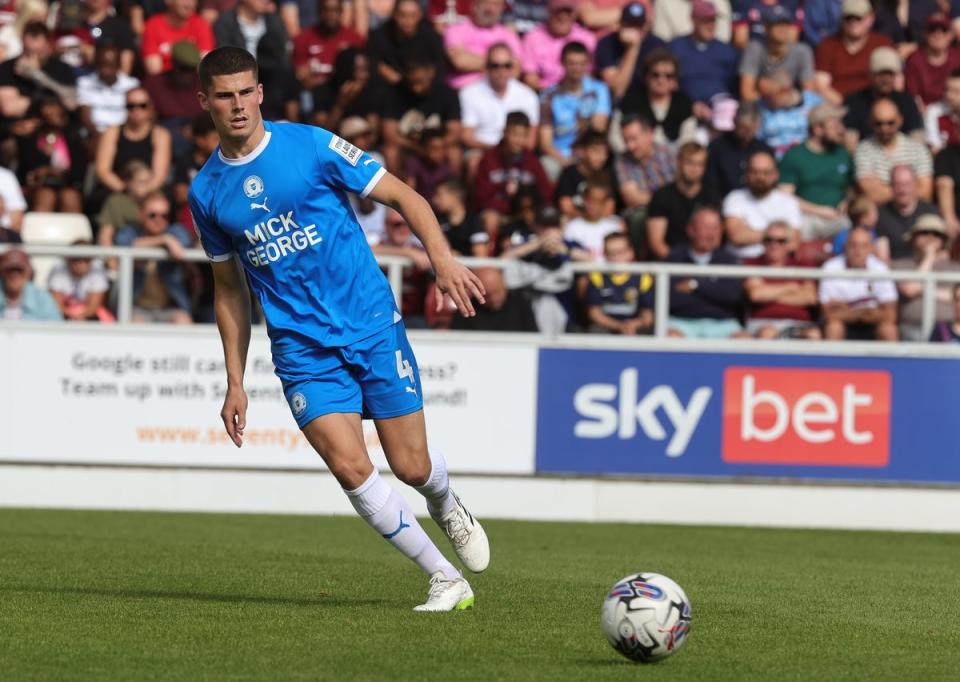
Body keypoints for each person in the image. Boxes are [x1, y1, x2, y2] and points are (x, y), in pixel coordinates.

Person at [188, 47, 490, 611]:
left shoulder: (310, 144)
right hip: (302, 350)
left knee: (412, 466)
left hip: (372, 324)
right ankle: (445, 578)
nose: (237, 106)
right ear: (205, 101)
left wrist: (443, 260)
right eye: (223, 96)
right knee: (352, 467)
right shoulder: (206, 193)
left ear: (259, 93)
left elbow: (405, 195)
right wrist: (234, 380)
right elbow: (229, 290)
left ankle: (445, 500)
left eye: (245, 92)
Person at [665, 206, 746, 339]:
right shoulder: (675, 257)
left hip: (722, 323)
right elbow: (672, 299)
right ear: (691, 230)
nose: (711, 233)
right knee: (671, 336)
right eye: (706, 227)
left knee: (743, 339)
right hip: (682, 322)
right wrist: (714, 289)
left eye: (716, 228)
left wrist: (695, 285)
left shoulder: (729, 260)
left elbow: (732, 296)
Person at [115, 190, 194, 324]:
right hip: (136, 308)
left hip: (169, 308)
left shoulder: (174, 231)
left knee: (184, 321)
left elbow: (184, 241)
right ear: (141, 215)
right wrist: (164, 240)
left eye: (164, 216)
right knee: (134, 324)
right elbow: (124, 245)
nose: (159, 220)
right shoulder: (130, 231)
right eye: (152, 215)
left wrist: (165, 239)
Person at [778, 102, 854, 241]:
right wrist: (819, 211)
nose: (841, 130)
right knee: (798, 229)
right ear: (818, 129)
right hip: (806, 217)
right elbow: (784, 196)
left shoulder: (843, 154)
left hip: (838, 219)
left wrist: (847, 202)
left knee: (851, 229)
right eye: (835, 126)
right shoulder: (795, 156)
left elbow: (851, 188)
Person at [382, 49, 461, 175]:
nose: (415, 88)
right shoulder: (395, 92)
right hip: (408, 147)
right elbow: (389, 134)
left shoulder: (447, 93)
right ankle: (395, 192)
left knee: (454, 152)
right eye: (411, 83)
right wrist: (417, 148)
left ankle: (452, 191)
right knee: (390, 152)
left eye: (420, 82)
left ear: (431, 72)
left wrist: (434, 148)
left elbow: (455, 132)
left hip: (438, 146)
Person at [539, 41, 611, 178]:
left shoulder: (599, 90)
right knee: (547, 166)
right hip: (561, 155)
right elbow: (545, 142)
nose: (577, 68)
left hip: (589, 154)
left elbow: (598, 128)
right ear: (562, 63)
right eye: (572, 63)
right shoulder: (548, 97)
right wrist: (566, 163)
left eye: (582, 63)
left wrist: (584, 158)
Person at [474, 111, 552, 237]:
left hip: (526, 213)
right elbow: (480, 196)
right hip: (497, 211)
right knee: (490, 219)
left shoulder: (532, 161)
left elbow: (546, 193)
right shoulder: (489, 159)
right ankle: (488, 255)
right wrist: (504, 193)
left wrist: (526, 201)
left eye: (523, 136)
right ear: (505, 133)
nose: (518, 141)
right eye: (514, 135)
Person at [459, 43, 540, 161]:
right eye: (495, 66)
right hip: (483, 151)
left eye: (506, 66)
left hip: (518, 152)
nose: (501, 71)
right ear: (486, 67)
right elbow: (467, 137)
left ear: (513, 67)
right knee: (474, 161)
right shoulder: (469, 93)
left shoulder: (528, 95)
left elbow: (530, 141)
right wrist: (497, 151)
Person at [743, 221, 821, 339]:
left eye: (781, 241)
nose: (775, 245)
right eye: (770, 240)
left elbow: (810, 297)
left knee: (813, 335)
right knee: (767, 333)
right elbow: (756, 295)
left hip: (800, 324)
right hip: (763, 323)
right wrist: (790, 287)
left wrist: (770, 295)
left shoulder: (803, 265)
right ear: (763, 242)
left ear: (789, 244)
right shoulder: (753, 263)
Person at [819, 225, 898, 341]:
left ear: (871, 248)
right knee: (834, 327)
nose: (858, 251)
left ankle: (893, 360)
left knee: (888, 329)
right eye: (853, 245)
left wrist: (846, 308)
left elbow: (890, 314)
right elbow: (827, 313)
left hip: (872, 324)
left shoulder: (881, 269)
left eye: (863, 246)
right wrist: (865, 311)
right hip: (844, 324)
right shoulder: (830, 268)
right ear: (845, 247)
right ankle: (833, 360)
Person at [891, 214, 960, 341]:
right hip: (912, 329)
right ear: (913, 237)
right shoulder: (901, 265)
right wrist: (929, 257)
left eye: (936, 234)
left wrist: (923, 289)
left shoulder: (955, 268)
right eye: (924, 232)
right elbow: (909, 290)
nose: (930, 237)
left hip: (948, 331)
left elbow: (956, 296)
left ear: (943, 240)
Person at [723, 149, 802, 259]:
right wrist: (778, 236)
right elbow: (736, 236)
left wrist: (750, 233)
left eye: (766, 173)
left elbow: (794, 242)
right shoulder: (734, 198)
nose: (760, 177)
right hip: (739, 263)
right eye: (755, 172)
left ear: (776, 174)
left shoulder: (789, 202)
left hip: (775, 265)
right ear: (746, 173)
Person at [95, 86, 172, 198]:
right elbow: (103, 171)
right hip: (115, 191)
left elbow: (159, 176)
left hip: (148, 193)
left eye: (142, 106)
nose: (136, 110)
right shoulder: (112, 132)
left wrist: (142, 193)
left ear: (150, 107)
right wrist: (125, 190)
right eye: (131, 106)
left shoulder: (160, 135)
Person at [15, 92, 87, 212]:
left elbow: (78, 171)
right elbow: (29, 166)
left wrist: (53, 172)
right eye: (47, 106)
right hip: (37, 187)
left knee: (70, 198)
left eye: (55, 106)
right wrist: (46, 156)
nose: (52, 111)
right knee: (46, 196)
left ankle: (75, 231)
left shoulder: (72, 135)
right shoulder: (29, 137)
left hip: (67, 184)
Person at [646, 141, 718, 260]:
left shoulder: (712, 196)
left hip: (705, 263)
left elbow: (715, 238)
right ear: (679, 162)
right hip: (671, 264)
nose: (694, 169)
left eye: (700, 164)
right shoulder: (662, 196)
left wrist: (701, 263)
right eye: (690, 163)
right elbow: (656, 243)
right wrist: (680, 266)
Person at [854, 98, 933, 205]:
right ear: (871, 122)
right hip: (880, 213)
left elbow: (925, 193)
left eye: (890, 123)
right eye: (879, 123)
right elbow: (871, 194)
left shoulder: (918, 149)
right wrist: (909, 189)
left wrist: (883, 188)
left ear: (900, 120)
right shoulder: (863, 150)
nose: (884, 128)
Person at [668, 1, 739, 118]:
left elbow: (734, 88)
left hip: (721, 112)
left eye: (713, 21)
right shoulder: (676, 48)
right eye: (706, 21)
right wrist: (688, 105)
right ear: (693, 20)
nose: (711, 26)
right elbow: (668, 84)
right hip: (684, 110)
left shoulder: (727, 51)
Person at [814, 0, 892, 105]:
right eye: (848, 18)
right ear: (840, 19)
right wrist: (848, 106)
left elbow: (893, 82)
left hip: (875, 105)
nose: (853, 22)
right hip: (837, 106)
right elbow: (821, 86)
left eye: (858, 18)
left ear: (870, 18)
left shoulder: (882, 44)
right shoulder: (828, 45)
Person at [842, 47, 922, 147]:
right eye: (880, 74)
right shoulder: (853, 102)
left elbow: (917, 138)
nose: (885, 80)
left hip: (903, 159)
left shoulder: (907, 102)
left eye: (889, 74)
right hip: (865, 158)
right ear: (870, 74)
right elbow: (850, 142)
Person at [619, 48, 695, 146]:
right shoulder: (630, 100)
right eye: (655, 75)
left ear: (675, 79)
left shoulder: (683, 102)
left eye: (669, 76)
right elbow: (616, 137)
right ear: (646, 76)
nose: (661, 80)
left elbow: (688, 139)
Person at [739, 4, 814, 102]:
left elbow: (808, 93)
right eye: (777, 24)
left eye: (786, 23)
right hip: (762, 105)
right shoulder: (754, 48)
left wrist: (786, 98)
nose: (783, 28)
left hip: (792, 104)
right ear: (766, 27)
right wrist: (771, 98)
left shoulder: (802, 51)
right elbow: (747, 92)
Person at [443, 0, 522, 90]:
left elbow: (515, 70)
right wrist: (500, 64)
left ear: (502, 8)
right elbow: (459, 61)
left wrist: (473, 59)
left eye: (496, 5)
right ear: (475, 5)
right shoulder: (455, 29)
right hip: (461, 90)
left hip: (497, 93)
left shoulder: (509, 35)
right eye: (485, 3)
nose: (490, 8)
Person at [585, 231, 653, 335]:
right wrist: (619, 326)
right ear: (605, 254)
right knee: (595, 331)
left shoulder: (643, 277)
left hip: (635, 328)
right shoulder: (597, 276)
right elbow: (594, 314)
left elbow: (647, 317)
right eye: (611, 253)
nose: (616, 258)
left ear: (631, 252)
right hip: (606, 327)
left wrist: (633, 325)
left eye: (620, 252)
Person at [595, 2, 666, 101]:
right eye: (630, 25)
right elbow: (617, 91)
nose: (634, 30)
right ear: (620, 24)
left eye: (639, 26)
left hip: (648, 101)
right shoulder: (607, 44)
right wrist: (632, 48)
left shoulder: (657, 45)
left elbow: (662, 85)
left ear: (646, 26)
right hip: (618, 104)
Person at [520, 0, 596, 92]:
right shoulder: (532, 38)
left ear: (574, 14)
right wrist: (554, 95)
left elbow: (589, 75)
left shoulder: (587, 39)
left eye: (567, 12)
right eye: (558, 11)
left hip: (579, 94)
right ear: (549, 12)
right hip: (544, 95)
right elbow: (530, 78)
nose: (562, 16)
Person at [367, 0, 446, 87]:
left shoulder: (430, 37)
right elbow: (373, 62)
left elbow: (438, 68)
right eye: (403, 16)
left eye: (413, 15)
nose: (408, 21)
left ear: (420, 15)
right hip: (391, 90)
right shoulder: (380, 36)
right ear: (394, 15)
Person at [704, 101, 773, 197]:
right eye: (741, 128)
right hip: (724, 202)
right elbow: (711, 183)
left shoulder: (764, 150)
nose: (744, 133)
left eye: (748, 129)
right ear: (734, 122)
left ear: (757, 125)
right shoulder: (717, 147)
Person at [292, 0, 364, 91]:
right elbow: (303, 78)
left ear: (341, 12)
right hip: (316, 95)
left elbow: (360, 77)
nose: (331, 15)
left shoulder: (355, 40)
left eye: (335, 10)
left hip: (348, 94)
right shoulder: (303, 39)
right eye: (326, 10)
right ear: (318, 12)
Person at [874, 165, 940, 261]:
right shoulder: (880, 215)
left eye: (907, 184)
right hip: (894, 270)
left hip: (927, 268)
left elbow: (941, 250)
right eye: (898, 184)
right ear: (891, 186)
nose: (902, 190)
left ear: (915, 184)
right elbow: (882, 257)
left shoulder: (931, 212)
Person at [77, 43, 141, 140]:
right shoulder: (84, 83)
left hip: (123, 136)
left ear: (118, 65)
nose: (105, 70)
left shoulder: (131, 85)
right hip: (95, 135)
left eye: (110, 65)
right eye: (102, 64)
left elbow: (135, 114)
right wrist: (102, 139)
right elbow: (85, 116)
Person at [755, 69, 823, 159]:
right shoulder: (759, 107)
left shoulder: (811, 102)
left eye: (769, 95)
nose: (764, 99)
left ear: (786, 90)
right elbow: (757, 139)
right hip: (774, 159)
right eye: (763, 95)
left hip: (809, 157)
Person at [142, 0, 215, 75]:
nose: (189, 4)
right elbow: (154, 70)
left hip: (193, 82)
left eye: (193, 0)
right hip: (163, 83)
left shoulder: (201, 24)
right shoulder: (153, 25)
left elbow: (205, 66)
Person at [904, 13, 960, 110]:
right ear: (924, 33)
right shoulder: (914, 60)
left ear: (951, 35)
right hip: (925, 113)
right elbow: (914, 96)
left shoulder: (957, 57)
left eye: (943, 30)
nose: (938, 35)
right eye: (932, 30)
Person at [555, 128, 613, 219]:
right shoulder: (569, 173)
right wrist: (586, 220)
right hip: (575, 220)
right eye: (595, 151)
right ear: (582, 151)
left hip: (601, 221)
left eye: (604, 152)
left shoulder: (606, 174)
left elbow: (609, 207)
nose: (601, 157)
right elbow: (566, 206)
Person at [47, 241, 113, 321]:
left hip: (90, 317)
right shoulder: (58, 268)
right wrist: (72, 317)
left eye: (86, 259)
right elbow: (56, 305)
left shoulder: (97, 270)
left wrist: (78, 318)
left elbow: (93, 306)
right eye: (76, 259)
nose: (81, 263)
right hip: (63, 316)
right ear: (69, 259)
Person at [562, 181, 624, 260]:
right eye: (591, 200)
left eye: (599, 201)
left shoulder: (614, 227)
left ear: (604, 203)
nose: (594, 205)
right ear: (584, 200)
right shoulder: (572, 227)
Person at [433, 178, 490, 257]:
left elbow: (481, 256)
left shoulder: (474, 221)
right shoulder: (436, 220)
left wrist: (458, 258)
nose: (435, 200)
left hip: (469, 268)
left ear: (455, 196)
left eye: (439, 195)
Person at [0, 248, 62, 320]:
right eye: (9, 270)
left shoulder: (42, 299)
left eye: (19, 270)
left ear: (28, 273)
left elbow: (55, 327)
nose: (14, 275)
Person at [924, 68, 960, 154]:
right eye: (947, 90)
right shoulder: (934, 112)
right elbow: (935, 150)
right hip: (946, 164)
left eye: (955, 91)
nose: (949, 95)